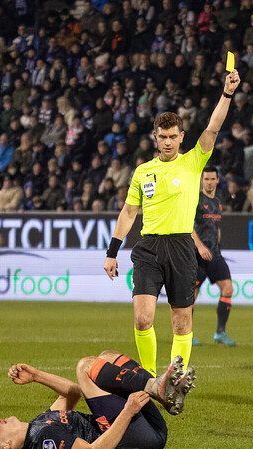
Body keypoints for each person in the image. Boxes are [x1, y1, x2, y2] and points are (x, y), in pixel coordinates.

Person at [103, 71, 241, 377]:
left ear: (181, 137)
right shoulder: (142, 172)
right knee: (142, 318)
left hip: (181, 246)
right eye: (162, 137)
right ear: (155, 137)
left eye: (172, 136)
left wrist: (227, 94)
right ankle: (149, 377)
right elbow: (128, 213)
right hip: (149, 247)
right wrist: (112, 252)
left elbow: (213, 127)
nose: (167, 142)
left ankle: (175, 376)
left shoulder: (193, 162)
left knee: (182, 320)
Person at [0, 351, 195, 449]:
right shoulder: (42, 442)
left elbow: (73, 393)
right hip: (134, 440)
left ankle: (161, 392)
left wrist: (36, 375)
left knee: (107, 357)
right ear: (7, 445)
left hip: (142, 430)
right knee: (85, 366)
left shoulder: (38, 424)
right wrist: (128, 411)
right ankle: (156, 389)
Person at [192, 165, 236, 347]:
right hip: (196, 254)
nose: (209, 182)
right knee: (190, 296)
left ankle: (220, 333)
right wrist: (200, 246)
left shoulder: (218, 201)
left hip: (215, 254)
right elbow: (188, 227)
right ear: (201, 180)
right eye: (206, 179)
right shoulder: (195, 200)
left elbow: (215, 228)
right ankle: (187, 334)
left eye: (212, 179)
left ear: (217, 180)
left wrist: (217, 244)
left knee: (228, 289)